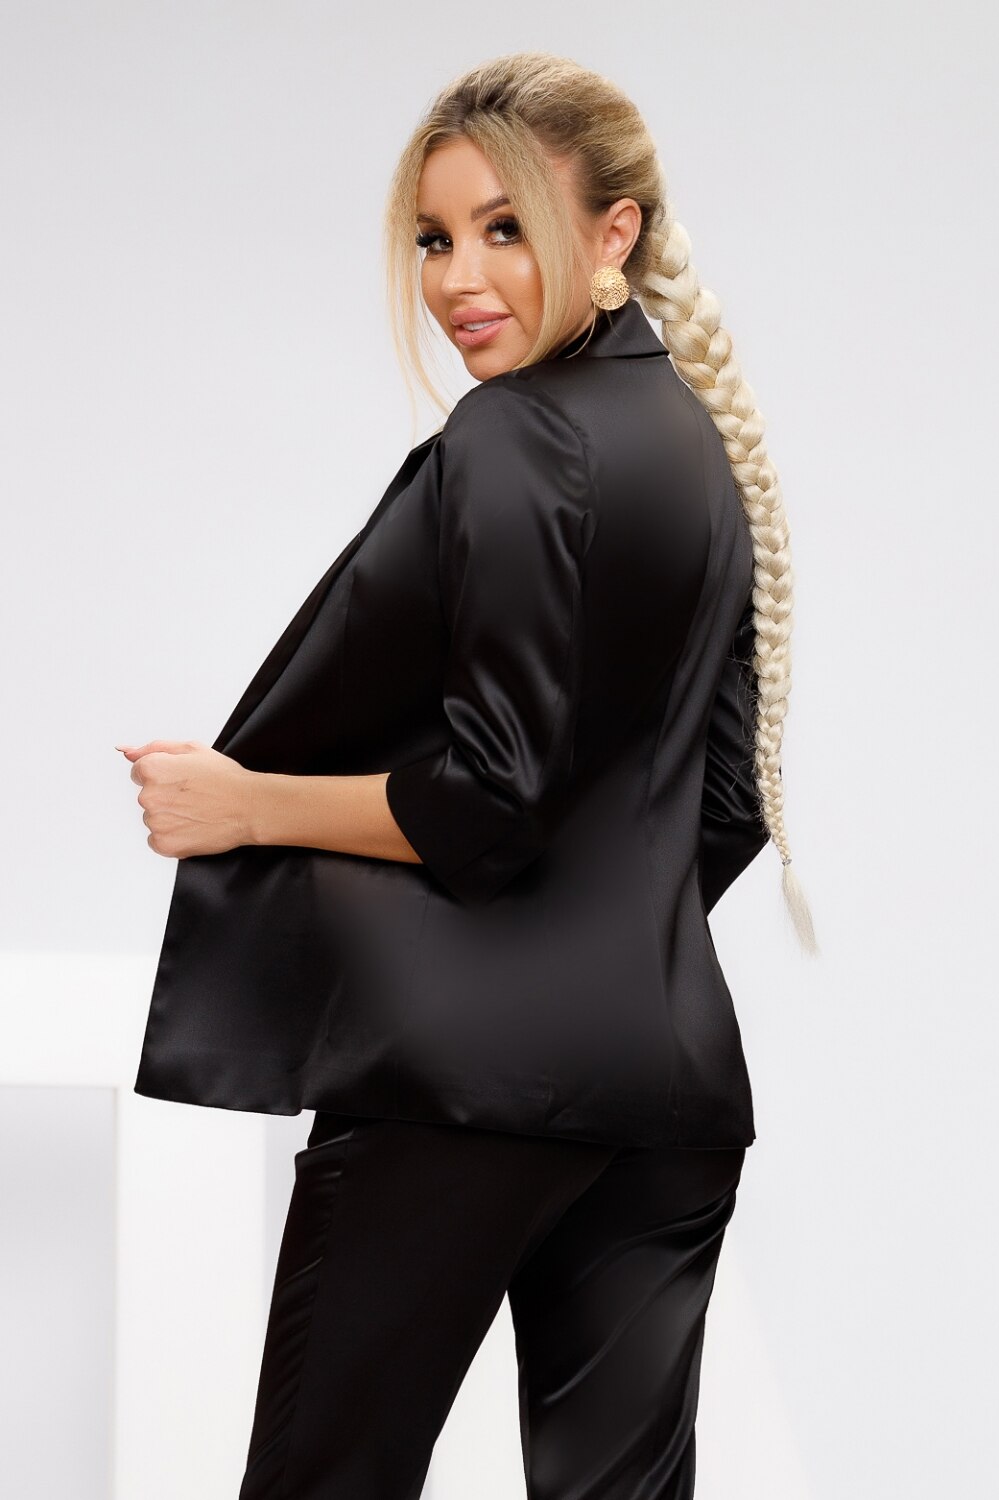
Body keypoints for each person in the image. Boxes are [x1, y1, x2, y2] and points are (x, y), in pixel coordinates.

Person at [118, 51, 818, 1500]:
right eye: (434, 239)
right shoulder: (701, 446)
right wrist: (596, 946)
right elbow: (729, 801)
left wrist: (241, 803)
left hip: (456, 1090)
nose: (459, 278)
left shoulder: (511, 433)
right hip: (670, 1087)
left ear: (615, 232)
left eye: (507, 228)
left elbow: (491, 800)